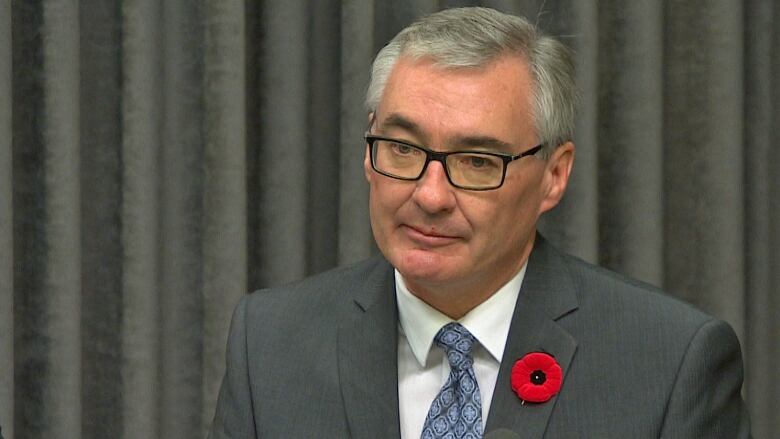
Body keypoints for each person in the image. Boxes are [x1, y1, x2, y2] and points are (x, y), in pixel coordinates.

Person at [210, 7, 750, 438]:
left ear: (553, 177)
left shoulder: (669, 363)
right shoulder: (271, 344)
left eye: (476, 162)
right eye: (401, 148)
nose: (430, 194)